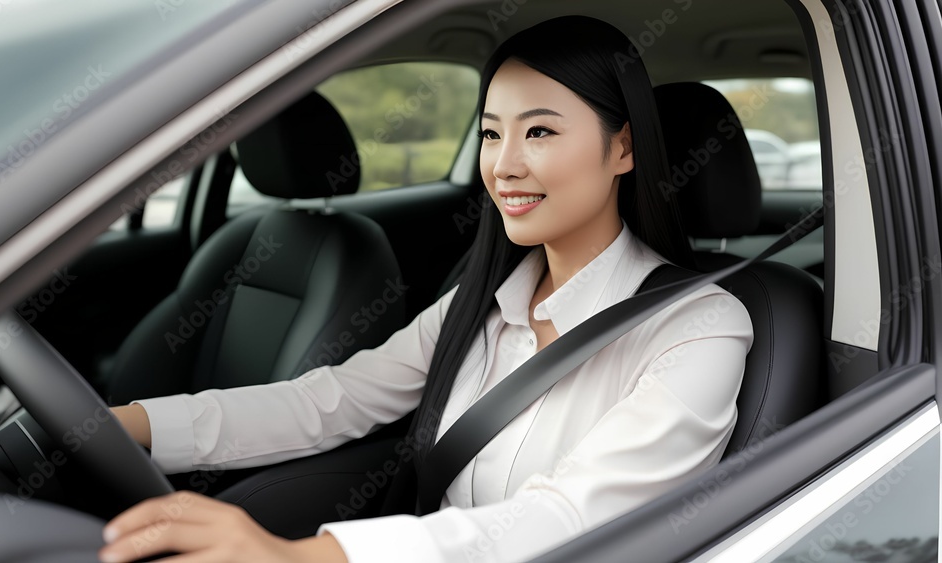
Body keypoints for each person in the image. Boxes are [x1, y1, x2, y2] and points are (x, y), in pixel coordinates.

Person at [100, 14, 753, 563]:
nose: (504, 165)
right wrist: (129, 424)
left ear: (624, 149)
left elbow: (570, 517)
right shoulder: (485, 299)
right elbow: (329, 401)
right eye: (493, 132)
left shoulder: (701, 327)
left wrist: (300, 555)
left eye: (541, 131)